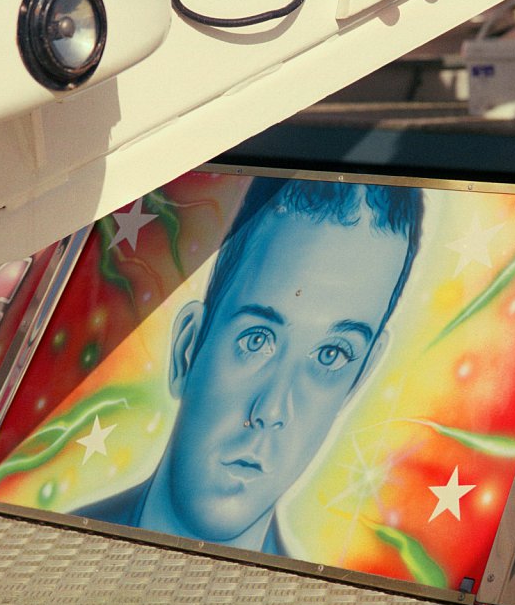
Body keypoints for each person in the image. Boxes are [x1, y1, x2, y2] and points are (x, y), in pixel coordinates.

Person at [78, 177, 423, 555]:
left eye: (331, 355)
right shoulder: (62, 540)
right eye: (256, 340)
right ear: (187, 351)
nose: (271, 410)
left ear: (357, 382)